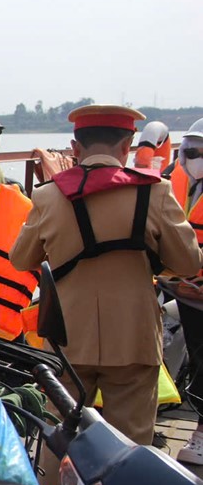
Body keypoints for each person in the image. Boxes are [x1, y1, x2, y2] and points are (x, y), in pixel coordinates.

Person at [10, 104, 202, 450]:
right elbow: (189, 262)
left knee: (63, 440)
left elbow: (21, 259)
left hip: (68, 339)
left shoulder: (48, 195)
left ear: (75, 148)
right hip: (134, 338)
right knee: (130, 447)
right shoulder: (155, 192)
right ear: (127, 146)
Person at [163, 118, 203, 465]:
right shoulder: (171, 183)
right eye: (190, 151)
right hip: (181, 290)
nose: (195, 158)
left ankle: (200, 432)